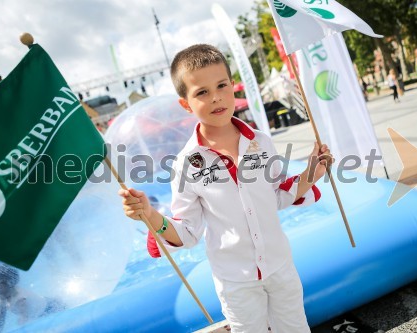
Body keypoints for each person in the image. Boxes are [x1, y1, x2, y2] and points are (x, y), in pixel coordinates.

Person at [119, 44, 332, 333]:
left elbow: (278, 195)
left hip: (280, 265)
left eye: (221, 85)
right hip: (236, 281)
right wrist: (149, 214)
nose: (216, 97)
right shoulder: (185, 165)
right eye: (202, 92)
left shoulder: (261, 141)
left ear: (233, 86)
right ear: (186, 104)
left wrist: (312, 172)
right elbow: (188, 232)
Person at [0, 265, 65, 333]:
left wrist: (22, 321)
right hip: (40, 311)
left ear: (2, 284)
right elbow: (0, 319)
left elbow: (24, 318)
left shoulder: (19, 298)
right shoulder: (2, 299)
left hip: (49, 307)